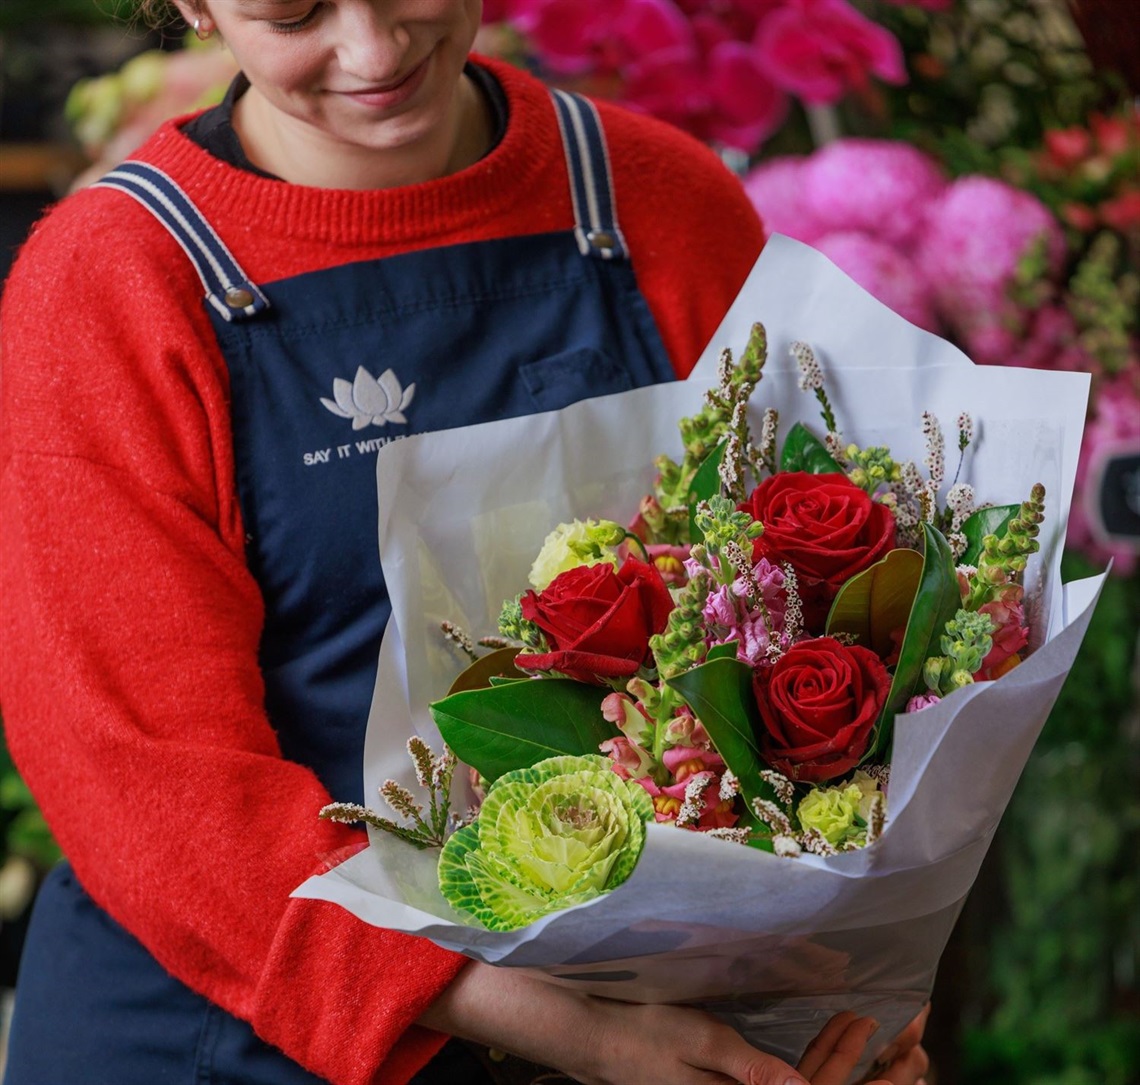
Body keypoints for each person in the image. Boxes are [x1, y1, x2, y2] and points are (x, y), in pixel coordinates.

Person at [0, 2, 930, 1083]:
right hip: (225, 1026)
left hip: (646, 1003)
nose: (374, 49)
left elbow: (805, 624)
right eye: (294, 9)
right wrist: (572, 1032)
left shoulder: (660, 203)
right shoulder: (111, 282)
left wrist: (834, 1009)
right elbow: (153, 785)